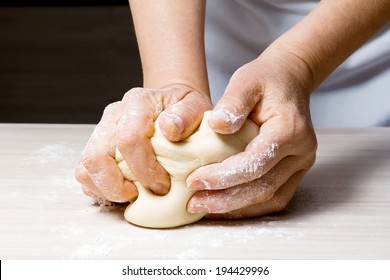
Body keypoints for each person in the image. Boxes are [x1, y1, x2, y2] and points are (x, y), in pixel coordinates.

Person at [75, 0, 390, 219]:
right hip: (198, 22)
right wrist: (174, 79)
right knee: (201, 134)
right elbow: (177, 100)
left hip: (371, 45)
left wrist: (298, 61)